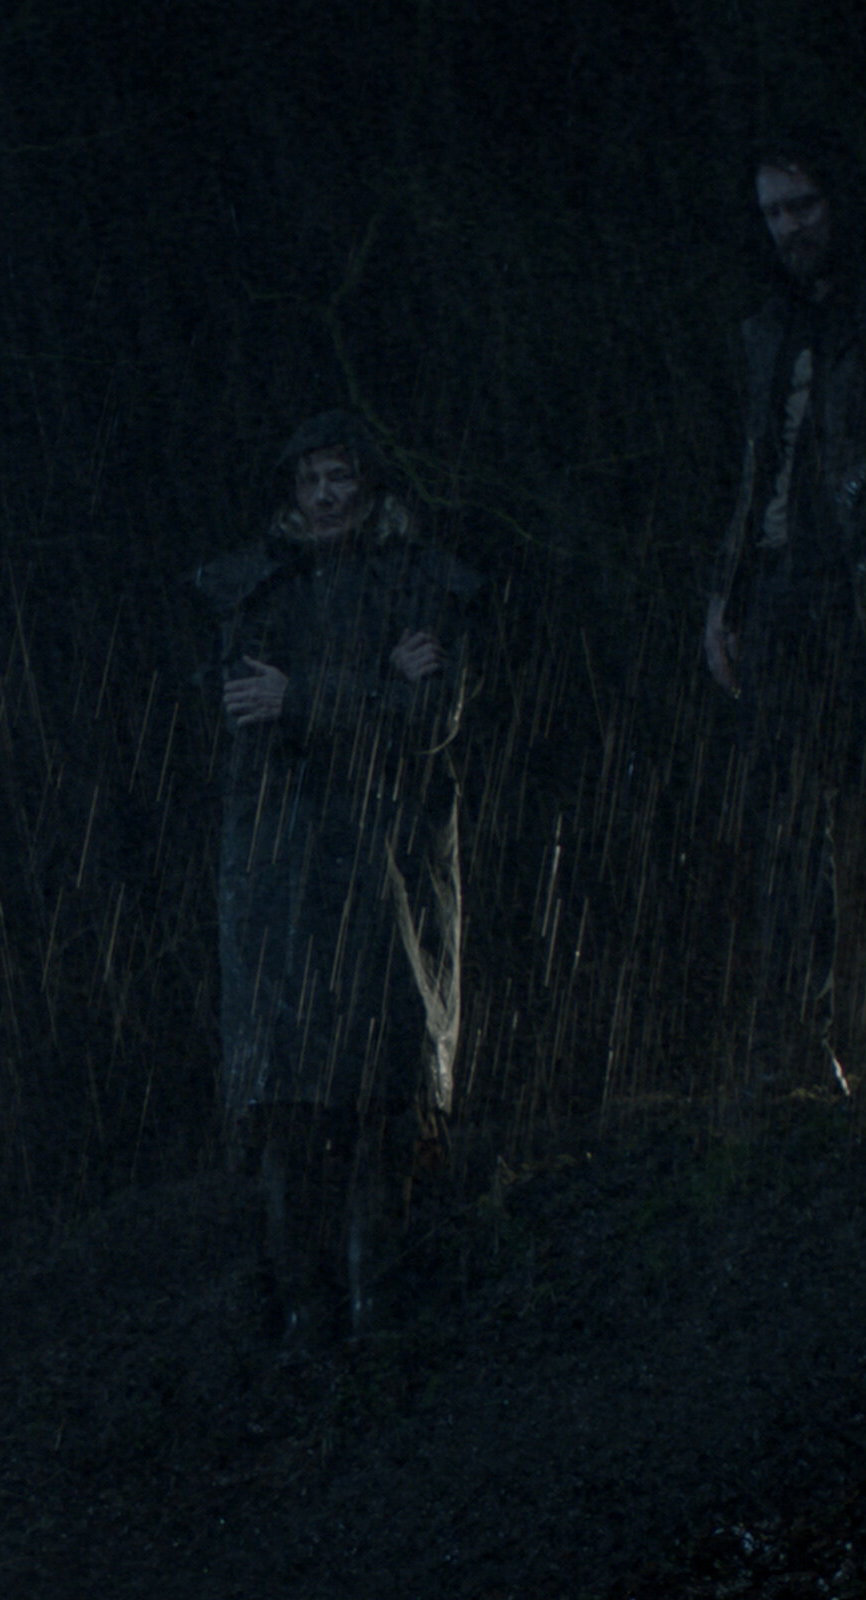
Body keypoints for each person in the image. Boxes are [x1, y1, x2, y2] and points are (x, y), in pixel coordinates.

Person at [699, 134, 866, 1100]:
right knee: (785, 822)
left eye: (803, 205)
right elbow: (758, 461)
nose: (789, 227)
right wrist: (727, 593)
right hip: (787, 589)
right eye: (774, 212)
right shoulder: (773, 318)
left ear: (837, 199)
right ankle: (792, 1044)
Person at [196, 410, 478, 1349]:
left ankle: (376, 1312)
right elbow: (252, 715)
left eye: (341, 477)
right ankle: (306, 1320)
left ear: (369, 485)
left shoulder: (419, 582)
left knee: (384, 1092)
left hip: (389, 867)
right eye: (311, 478)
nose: (325, 496)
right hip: (281, 874)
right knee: (291, 1103)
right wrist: (370, 692)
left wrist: (313, 696)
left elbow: (430, 720)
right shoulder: (256, 589)